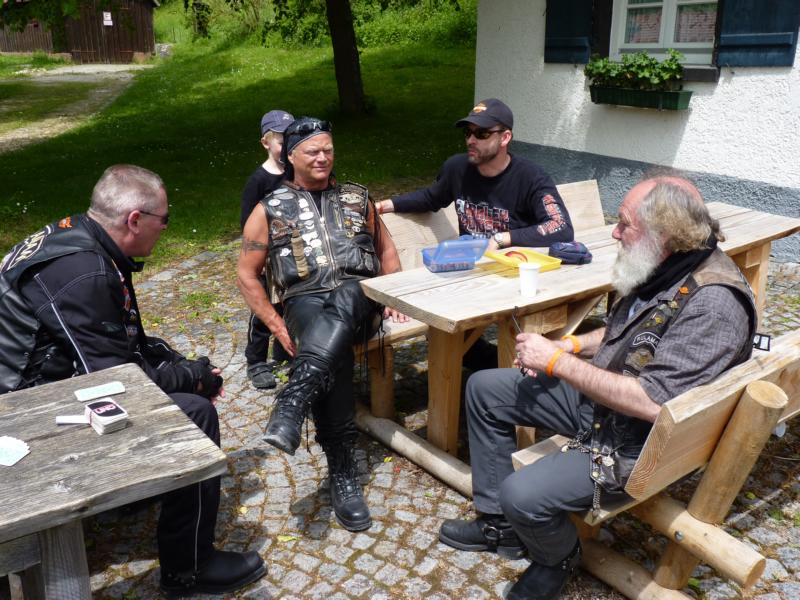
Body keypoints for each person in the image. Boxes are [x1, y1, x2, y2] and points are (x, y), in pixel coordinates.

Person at [438, 176, 756, 599]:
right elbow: (629, 331)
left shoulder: (712, 304)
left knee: (521, 493)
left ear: (663, 234)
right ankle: (502, 527)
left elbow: (653, 402)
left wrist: (558, 364)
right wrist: (570, 345)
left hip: (638, 444)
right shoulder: (673, 265)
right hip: (611, 408)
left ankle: (557, 556)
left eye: (624, 224)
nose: (614, 233)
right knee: (484, 389)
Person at [0, 165, 266, 597]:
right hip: (18, 420)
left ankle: (139, 493)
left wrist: (180, 364)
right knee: (195, 415)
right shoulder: (85, 273)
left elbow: (120, 338)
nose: (166, 228)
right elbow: (115, 382)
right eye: (165, 219)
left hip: (32, 389)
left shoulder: (79, 237)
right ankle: (189, 569)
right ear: (135, 220)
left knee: (181, 385)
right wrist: (193, 380)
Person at [237, 117, 408, 532]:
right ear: (290, 156)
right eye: (313, 151)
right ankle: (342, 469)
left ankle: (292, 402)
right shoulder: (269, 208)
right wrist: (277, 326)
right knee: (328, 343)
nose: (322, 157)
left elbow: (387, 252)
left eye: (328, 149)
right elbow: (246, 273)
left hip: (362, 299)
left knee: (349, 293)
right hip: (304, 303)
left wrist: (393, 298)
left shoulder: (357, 197)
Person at [376, 98, 574, 370]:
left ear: (505, 137)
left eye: (481, 134)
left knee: (541, 322)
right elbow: (432, 197)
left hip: (517, 279)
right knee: (443, 328)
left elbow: (561, 226)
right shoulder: (457, 168)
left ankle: (534, 368)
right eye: (468, 133)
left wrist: (502, 239)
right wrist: (384, 205)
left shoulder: (530, 177)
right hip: (471, 276)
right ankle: (498, 369)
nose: (471, 140)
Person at [240, 109, 295, 390]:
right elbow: (247, 223)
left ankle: (284, 348)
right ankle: (256, 360)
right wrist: (258, 257)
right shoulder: (259, 181)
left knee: (291, 302)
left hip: (294, 253)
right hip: (267, 256)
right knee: (265, 308)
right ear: (266, 142)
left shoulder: (296, 173)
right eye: (282, 141)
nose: (287, 146)